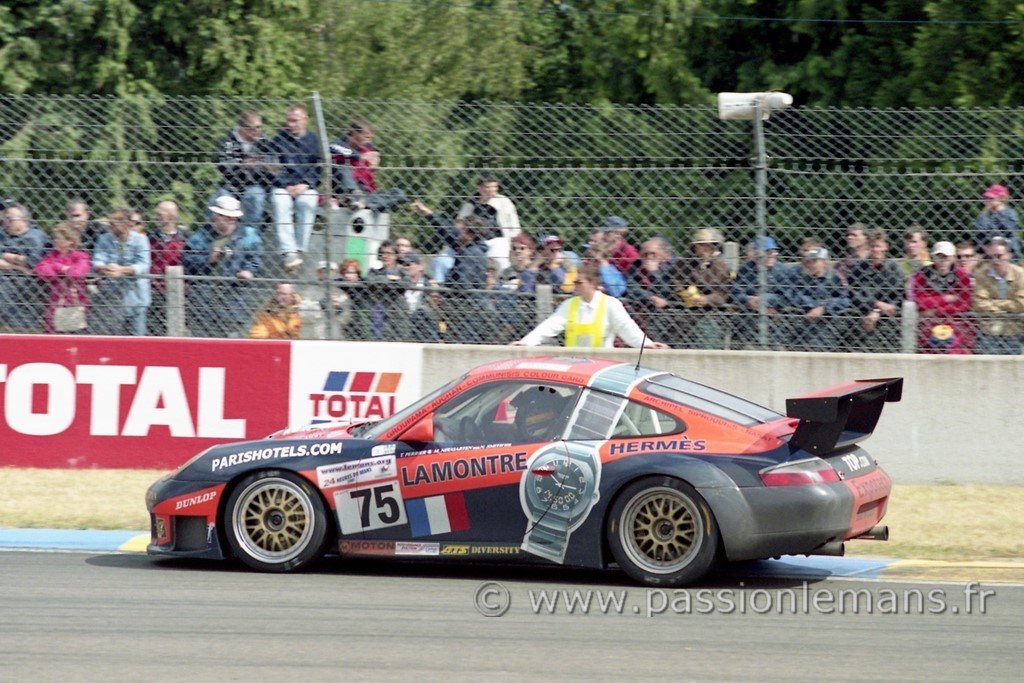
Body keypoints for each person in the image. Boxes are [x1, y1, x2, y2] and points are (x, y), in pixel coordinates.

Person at [514, 262, 668, 349]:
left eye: (579, 283)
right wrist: (526, 342)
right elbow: (550, 326)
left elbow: (627, 328)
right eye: (575, 283)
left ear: (593, 283)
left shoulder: (610, 304)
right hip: (574, 366)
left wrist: (647, 345)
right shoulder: (570, 305)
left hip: (601, 367)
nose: (576, 286)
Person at [183, 196, 263, 337]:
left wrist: (249, 271)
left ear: (233, 218)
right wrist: (208, 259)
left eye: (224, 216)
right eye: (218, 215)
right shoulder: (201, 236)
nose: (218, 218)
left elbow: (257, 259)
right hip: (203, 300)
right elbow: (187, 260)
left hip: (233, 299)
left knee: (230, 343)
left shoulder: (249, 236)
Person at [411, 199, 489, 341]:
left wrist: (440, 288)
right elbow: (447, 231)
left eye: (461, 230)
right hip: (464, 311)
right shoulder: (469, 246)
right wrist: (428, 213)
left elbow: (461, 284)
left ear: (470, 234)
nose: (457, 233)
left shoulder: (471, 254)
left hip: (467, 313)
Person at [270, 103, 321, 271]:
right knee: (280, 202)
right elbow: (273, 166)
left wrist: (305, 184)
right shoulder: (278, 140)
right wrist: (287, 185)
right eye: (288, 120)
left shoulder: (315, 141)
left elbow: (319, 167)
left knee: (308, 202)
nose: (291, 124)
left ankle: (300, 249)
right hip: (283, 186)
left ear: (305, 120)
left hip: (306, 186)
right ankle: (288, 251)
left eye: (295, 120)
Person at [92, 207, 152, 336]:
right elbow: (97, 260)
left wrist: (122, 270)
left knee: (137, 340)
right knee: (112, 339)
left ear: (127, 223)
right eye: (110, 221)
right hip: (111, 298)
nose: (111, 225)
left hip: (136, 298)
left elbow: (143, 264)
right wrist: (106, 268)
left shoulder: (140, 240)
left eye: (116, 221)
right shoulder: (104, 239)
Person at [777, 247, 850, 351]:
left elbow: (844, 300)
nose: (810, 264)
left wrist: (823, 308)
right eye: (809, 261)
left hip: (826, 324)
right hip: (803, 323)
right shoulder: (802, 279)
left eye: (815, 261)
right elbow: (793, 295)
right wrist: (812, 305)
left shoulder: (834, 279)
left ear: (824, 263)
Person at [908, 241, 974, 354]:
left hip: (955, 324)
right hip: (929, 325)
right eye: (938, 257)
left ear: (953, 258)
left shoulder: (962, 276)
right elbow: (919, 301)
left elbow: (964, 304)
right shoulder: (922, 275)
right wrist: (945, 298)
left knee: (956, 350)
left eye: (946, 257)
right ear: (932, 257)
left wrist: (936, 310)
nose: (942, 261)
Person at [215, 109, 275, 228]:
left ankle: (250, 235)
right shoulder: (228, 141)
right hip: (230, 185)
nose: (258, 131)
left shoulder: (265, 142)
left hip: (256, 184)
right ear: (242, 128)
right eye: (254, 128)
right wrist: (242, 164)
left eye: (260, 127)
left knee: (255, 196)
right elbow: (222, 164)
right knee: (220, 201)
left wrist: (258, 166)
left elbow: (272, 164)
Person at [846, 229, 904, 352]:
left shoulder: (894, 269)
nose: (875, 250)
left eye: (878, 246)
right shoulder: (858, 269)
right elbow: (855, 296)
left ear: (886, 247)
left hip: (886, 316)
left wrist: (877, 311)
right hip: (863, 313)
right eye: (872, 246)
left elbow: (897, 297)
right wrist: (876, 304)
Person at [676, 228, 731, 348]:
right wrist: (686, 294)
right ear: (694, 248)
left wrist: (707, 299)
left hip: (712, 311)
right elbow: (676, 283)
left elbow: (723, 294)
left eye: (709, 246)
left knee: (708, 328)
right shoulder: (684, 264)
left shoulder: (722, 267)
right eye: (701, 246)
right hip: (687, 308)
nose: (705, 250)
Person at [730, 235, 788, 348]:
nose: (773, 255)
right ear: (757, 254)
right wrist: (748, 300)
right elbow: (735, 292)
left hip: (774, 316)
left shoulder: (782, 270)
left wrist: (764, 299)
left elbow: (786, 296)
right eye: (768, 252)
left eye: (774, 251)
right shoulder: (745, 270)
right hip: (749, 315)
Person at [34, 224, 91, 334]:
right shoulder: (52, 255)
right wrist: (60, 267)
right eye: (54, 238)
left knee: (72, 336)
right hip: (55, 302)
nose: (54, 241)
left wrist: (56, 269)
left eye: (58, 238)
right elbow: (43, 271)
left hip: (74, 302)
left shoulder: (81, 256)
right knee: (52, 334)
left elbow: (76, 274)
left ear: (70, 241)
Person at [626, 235, 682, 345]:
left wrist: (654, 273)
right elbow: (631, 288)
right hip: (644, 310)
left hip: (670, 315)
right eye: (645, 254)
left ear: (666, 254)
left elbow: (669, 292)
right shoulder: (637, 265)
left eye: (653, 253)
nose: (648, 257)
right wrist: (650, 297)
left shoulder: (677, 266)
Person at [0, 203, 48, 332]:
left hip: (25, 284)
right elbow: (25, 264)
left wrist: (5, 256)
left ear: (24, 220)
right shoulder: (2, 234)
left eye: (10, 219)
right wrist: (17, 265)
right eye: (4, 219)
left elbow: (33, 262)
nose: (5, 222)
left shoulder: (35, 236)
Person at [457, 175, 521, 271]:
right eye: (488, 187)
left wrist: (515, 239)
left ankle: (509, 281)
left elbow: (514, 222)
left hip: (498, 238)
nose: (492, 190)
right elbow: (459, 221)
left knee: (500, 261)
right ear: (480, 188)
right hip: (476, 241)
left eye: (495, 187)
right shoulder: (471, 203)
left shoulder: (503, 201)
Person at [972, 240, 1024, 355]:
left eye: (999, 256)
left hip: (1014, 329)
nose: (995, 260)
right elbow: (978, 304)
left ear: (1009, 255)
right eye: (991, 257)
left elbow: (1021, 304)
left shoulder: (1021, 274)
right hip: (988, 329)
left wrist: (993, 304)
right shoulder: (981, 274)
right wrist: (1008, 307)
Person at [148, 200, 188, 334]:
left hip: (177, 288)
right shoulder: (150, 238)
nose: (156, 217)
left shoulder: (184, 239)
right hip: (153, 289)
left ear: (172, 216)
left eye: (160, 214)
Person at [364, 240, 407, 340]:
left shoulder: (401, 271)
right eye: (382, 253)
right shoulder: (374, 271)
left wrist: (380, 283)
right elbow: (369, 280)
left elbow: (406, 283)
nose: (385, 256)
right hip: (378, 311)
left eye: (388, 253)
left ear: (396, 255)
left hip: (396, 313)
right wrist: (388, 279)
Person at [973, 184, 1020, 258]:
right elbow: (978, 231)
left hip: (1009, 254)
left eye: (991, 198)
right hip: (987, 254)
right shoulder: (984, 215)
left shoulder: (1009, 213)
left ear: (1002, 199)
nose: (987, 201)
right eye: (986, 198)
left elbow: (1004, 232)